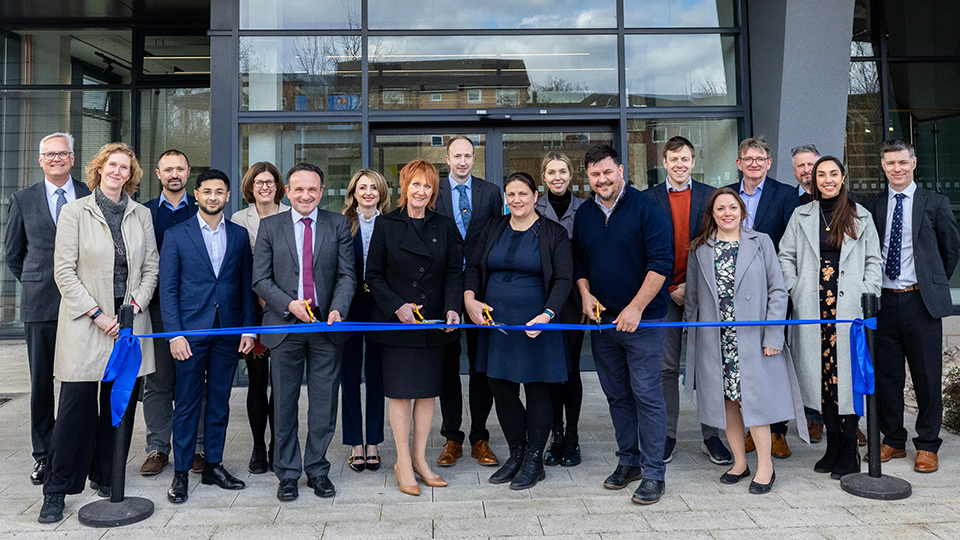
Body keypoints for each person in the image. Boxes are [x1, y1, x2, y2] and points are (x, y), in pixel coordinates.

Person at [39, 142, 159, 523]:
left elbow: (151, 268)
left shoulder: (141, 214)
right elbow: (64, 271)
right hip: (86, 325)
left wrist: (134, 306)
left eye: (125, 167)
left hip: (128, 325)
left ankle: (108, 477)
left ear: (132, 174)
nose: (118, 172)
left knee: (117, 408)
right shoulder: (75, 211)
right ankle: (56, 490)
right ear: (99, 169)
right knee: (74, 410)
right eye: (112, 165)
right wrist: (98, 315)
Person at [684, 187, 807, 496]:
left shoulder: (760, 242)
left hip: (753, 339)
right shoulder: (700, 249)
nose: (727, 213)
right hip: (717, 341)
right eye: (720, 209)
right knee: (726, 403)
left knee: (754, 401)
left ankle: (765, 465)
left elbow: (778, 291)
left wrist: (773, 336)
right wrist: (693, 335)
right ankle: (740, 462)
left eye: (732, 208)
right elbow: (693, 299)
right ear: (711, 214)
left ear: (741, 211)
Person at [572, 144, 672, 505]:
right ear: (589, 178)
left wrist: (635, 308)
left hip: (644, 322)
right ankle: (628, 461)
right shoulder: (585, 213)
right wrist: (584, 293)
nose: (602, 180)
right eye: (595, 175)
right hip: (603, 324)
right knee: (617, 395)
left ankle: (654, 473)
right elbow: (579, 262)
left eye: (607, 172)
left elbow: (661, 263)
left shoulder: (648, 208)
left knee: (646, 395)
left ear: (621, 170)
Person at [253, 163, 356, 501]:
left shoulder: (338, 224)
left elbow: (347, 275)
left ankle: (317, 469)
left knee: (324, 405)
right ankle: (287, 473)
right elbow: (260, 280)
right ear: (288, 192)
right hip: (285, 327)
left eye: (312, 189)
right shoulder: (269, 226)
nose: (306, 195)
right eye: (299, 189)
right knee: (283, 405)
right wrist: (289, 305)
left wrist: (339, 307)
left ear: (321, 192)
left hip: (327, 327)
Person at [465, 172, 572, 490]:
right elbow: (472, 266)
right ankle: (517, 453)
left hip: (536, 323)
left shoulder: (553, 232)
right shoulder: (494, 226)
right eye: (510, 194)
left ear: (535, 195)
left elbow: (563, 279)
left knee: (538, 390)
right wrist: (470, 299)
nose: (516, 200)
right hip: (497, 325)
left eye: (522, 194)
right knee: (500, 387)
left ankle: (535, 460)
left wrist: (548, 314)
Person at [778, 157, 882, 479]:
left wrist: (866, 292)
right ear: (813, 180)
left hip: (849, 310)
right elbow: (786, 256)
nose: (826, 179)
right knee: (824, 382)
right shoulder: (801, 215)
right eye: (820, 174)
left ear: (842, 178)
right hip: (813, 311)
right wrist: (795, 288)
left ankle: (849, 448)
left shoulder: (859, 215)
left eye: (832, 174)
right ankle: (832, 446)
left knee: (847, 381)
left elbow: (873, 261)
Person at [365, 159, 462, 496]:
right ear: (404, 187)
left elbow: (454, 271)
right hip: (398, 324)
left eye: (428, 185)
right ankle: (403, 461)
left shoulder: (445, 225)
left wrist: (452, 308)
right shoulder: (386, 224)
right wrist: (397, 306)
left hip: (434, 321)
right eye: (416, 184)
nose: (421, 191)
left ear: (434, 190)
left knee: (427, 392)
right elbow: (373, 274)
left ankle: (421, 459)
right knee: (401, 393)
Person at [160, 169, 258, 503]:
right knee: (186, 402)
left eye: (220, 191)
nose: (213, 197)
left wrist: (247, 328)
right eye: (207, 191)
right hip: (190, 332)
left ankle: (213, 465)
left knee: (219, 402)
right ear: (196, 194)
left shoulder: (240, 235)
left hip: (228, 332)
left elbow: (245, 286)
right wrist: (175, 335)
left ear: (228, 196)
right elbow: (168, 289)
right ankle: (181, 473)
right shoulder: (176, 235)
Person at [863, 138, 960, 474]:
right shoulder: (874, 205)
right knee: (887, 377)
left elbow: (950, 250)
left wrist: (929, 284)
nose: (896, 169)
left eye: (902, 162)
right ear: (883, 166)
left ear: (913, 163)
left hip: (921, 302)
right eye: (890, 163)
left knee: (926, 377)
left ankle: (928, 445)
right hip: (884, 302)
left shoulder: (935, 202)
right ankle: (894, 440)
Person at [5, 132, 90, 486]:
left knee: (81, 384)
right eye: (49, 154)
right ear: (40, 160)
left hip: (85, 306)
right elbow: (13, 255)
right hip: (41, 306)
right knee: (42, 385)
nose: (57, 158)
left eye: (63, 153)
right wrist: (39, 281)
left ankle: (78, 453)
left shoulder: (89, 195)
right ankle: (44, 455)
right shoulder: (23, 199)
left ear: (72, 159)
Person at [647, 136, 731, 466]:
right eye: (673, 159)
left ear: (693, 162)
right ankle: (667, 435)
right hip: (664, 294)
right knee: (665, 367)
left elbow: (721, 243)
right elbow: (643, 249)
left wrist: (691, 287)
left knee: (710, 366)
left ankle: (712, 436)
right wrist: (669, 288)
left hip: (704, 294)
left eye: (685, 159)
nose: (680, 164)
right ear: (664, 163)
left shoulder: (712, 197)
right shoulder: (648, 200)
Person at [726, 136, 799, 458]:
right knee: (742, 364)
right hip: (736, 294)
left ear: (769, 163)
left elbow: (791, 241)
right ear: (739, 163)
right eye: (748, 158)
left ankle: (778, 431)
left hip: (771, 289)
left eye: (760, 159)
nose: (754, 164)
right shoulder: (727, 195)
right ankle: (751, 429)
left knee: (771, 361)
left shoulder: (784, 195)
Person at [435, 136, 502, 468]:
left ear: (474, 158)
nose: (462, 161)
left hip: (481, 287)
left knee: (480, 364)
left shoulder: (490, 192)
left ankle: (480, 436)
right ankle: (451, 437)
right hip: (444, 286)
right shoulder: (434, 190)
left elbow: (496, 236)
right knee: (447, 366)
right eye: (456, 156)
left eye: (468, 156)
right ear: (447, 159)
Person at [140, 149, 201, 477]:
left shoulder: (202, 210)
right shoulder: (144, 213)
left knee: (196, 382)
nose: (174, 174)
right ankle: (157, 448)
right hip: (157, 310)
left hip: (199, 310)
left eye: (180, 168)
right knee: (159, 382)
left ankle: (198, 447)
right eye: (168, 169)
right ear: (158, 173)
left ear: (188, 172)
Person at [231, 161, 290, 474]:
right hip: (253, 310)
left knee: (281, 383)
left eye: (270, 182)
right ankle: (257, 446)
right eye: (258, 182)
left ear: (278, 186)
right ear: (249, 187)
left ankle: (276, 445)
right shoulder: (239, 219)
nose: (264, 187)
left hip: (284, 309)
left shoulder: (291, 214)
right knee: (257, 382)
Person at [534, 152, 586, 467]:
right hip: (541, 298)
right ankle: (556, 433)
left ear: (570, 174)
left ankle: (573, 436)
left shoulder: (585, 208)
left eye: (562, 171)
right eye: (551, 171)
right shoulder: (533, 206)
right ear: (544, 176)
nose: (557, 177)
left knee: (571, 370)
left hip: (573, 299)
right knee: (551, 371)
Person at [339, 169, 391, 472]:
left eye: (374, 187)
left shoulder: (392, 223)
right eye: (362, 187)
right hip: (349, 309)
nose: (368, 192)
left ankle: (373, 442)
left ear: (381, 192)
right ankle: (355, 444)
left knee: (376, 378)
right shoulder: (342, 224)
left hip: (381, 310)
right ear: (354, 192)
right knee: (349, 377)